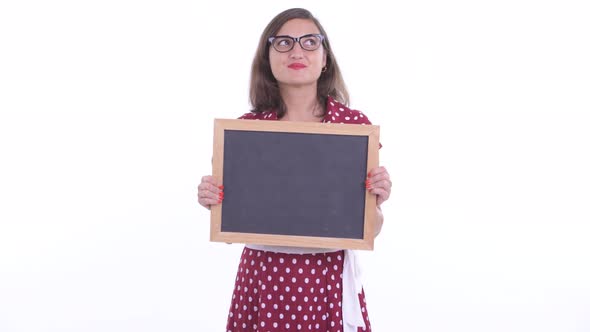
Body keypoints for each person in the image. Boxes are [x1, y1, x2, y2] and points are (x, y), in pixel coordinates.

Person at [197, 8, 392, 332]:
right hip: (265, 275)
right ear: (267, 57)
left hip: (327, 275)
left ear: (325, 57)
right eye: (284, 42)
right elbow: (236, 222)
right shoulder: (247, 131)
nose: (297, 51)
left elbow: (371, 228)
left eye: (310, 42)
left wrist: (377, 202)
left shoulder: (353, 128)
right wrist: (214, 200)